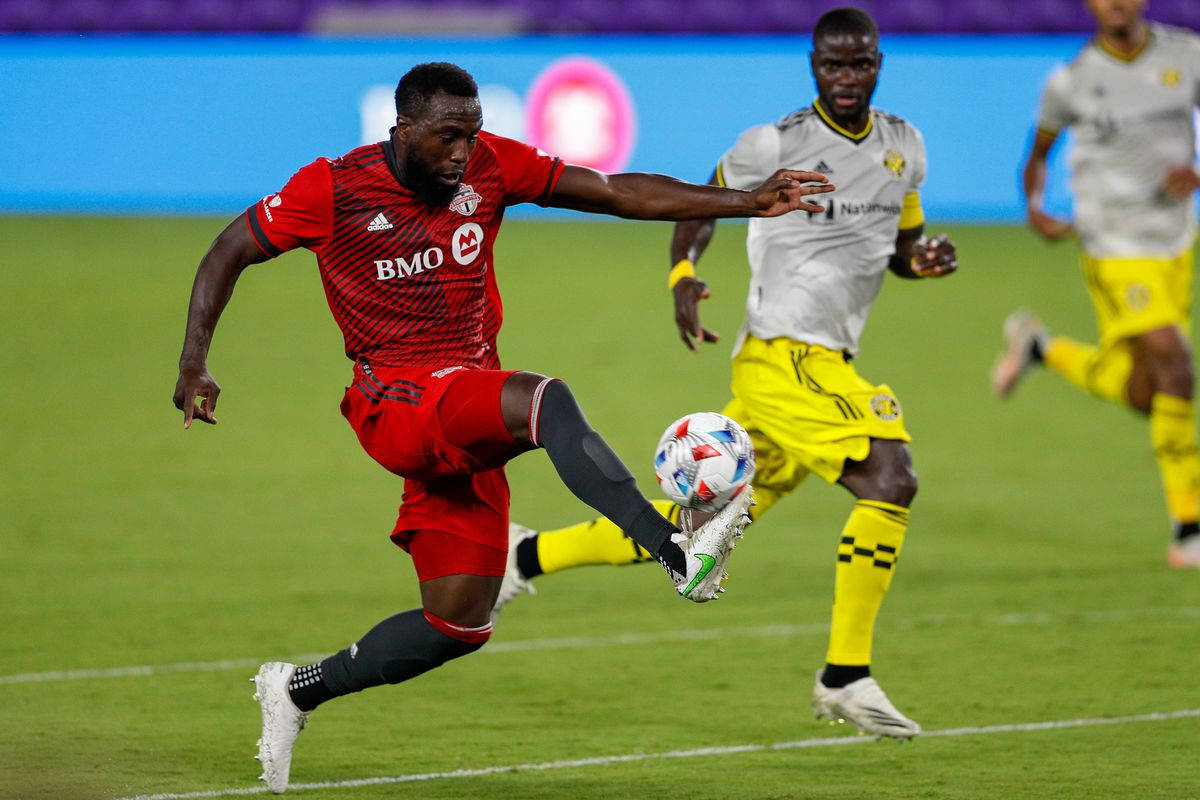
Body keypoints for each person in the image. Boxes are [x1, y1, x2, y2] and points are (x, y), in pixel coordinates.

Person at [172, 62, 832, 793]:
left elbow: (615, 191)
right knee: (543, 400)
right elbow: (228, 248)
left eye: (471, 135)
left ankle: (296, 689)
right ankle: (676, 548)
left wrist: (748, 201)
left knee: (457, 623)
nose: (462, 152)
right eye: (447, 137)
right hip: (397, 402)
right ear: (404, 129)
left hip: (462, 405)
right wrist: (194, 363)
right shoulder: (331, 189)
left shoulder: (489, 167)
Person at [493, 8, 957, 740]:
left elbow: (903, 244)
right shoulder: (774, 142)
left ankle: (522, 554)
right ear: (812, 65)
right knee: (889, 478)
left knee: (692, 527)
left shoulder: (905, 145)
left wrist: (922, 261)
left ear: (877, 64)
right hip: (782, 354)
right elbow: (700, 201)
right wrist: (684, 270)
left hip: (824, 362)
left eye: (858, 64)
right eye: (831, 65)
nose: (844, 78)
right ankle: (845, 676)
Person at [993, 0, 1200, 568]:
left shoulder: (1187, 54)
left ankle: (1041, 346)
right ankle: (1190, 525)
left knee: (1148, 394)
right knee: (1177, 366)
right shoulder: (1072, 81)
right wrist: (1035, 206)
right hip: (1111, 244)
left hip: (1175, 241)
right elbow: (1037, 155)